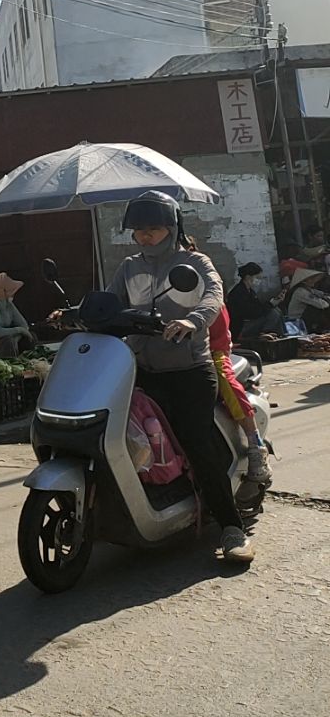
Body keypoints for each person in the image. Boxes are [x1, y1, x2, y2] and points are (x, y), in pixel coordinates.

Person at [107, 191, 254, 564]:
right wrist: (78, 311)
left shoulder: (194, 262)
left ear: (171, 228)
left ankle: (231, 528)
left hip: (190, 371)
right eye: (139, 231)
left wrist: (192, 320)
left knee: (195, 440)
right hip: (142, 369)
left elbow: (214, 296)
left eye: (153, 229)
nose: (145, 237)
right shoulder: (129, 267)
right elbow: (108, 302)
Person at [208, 304, 272, 486]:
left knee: (223, 378)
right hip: (163, 352)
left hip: (210, 348)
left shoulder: (205, 280)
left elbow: (211, 306)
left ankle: (255, 443)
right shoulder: (138, 280)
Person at [226, 263, 287, 342]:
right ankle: (265, 334)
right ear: (248, 277)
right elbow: (252, 312)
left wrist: (274, 302)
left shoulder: (250, 291)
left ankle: (281, 335)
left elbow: (258, 307)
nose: (259, 280)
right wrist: (270, 304)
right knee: (273, 313)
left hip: (249, 322)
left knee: (276, 310)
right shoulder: (238, 292)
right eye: (257, 277)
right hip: (240, 327)